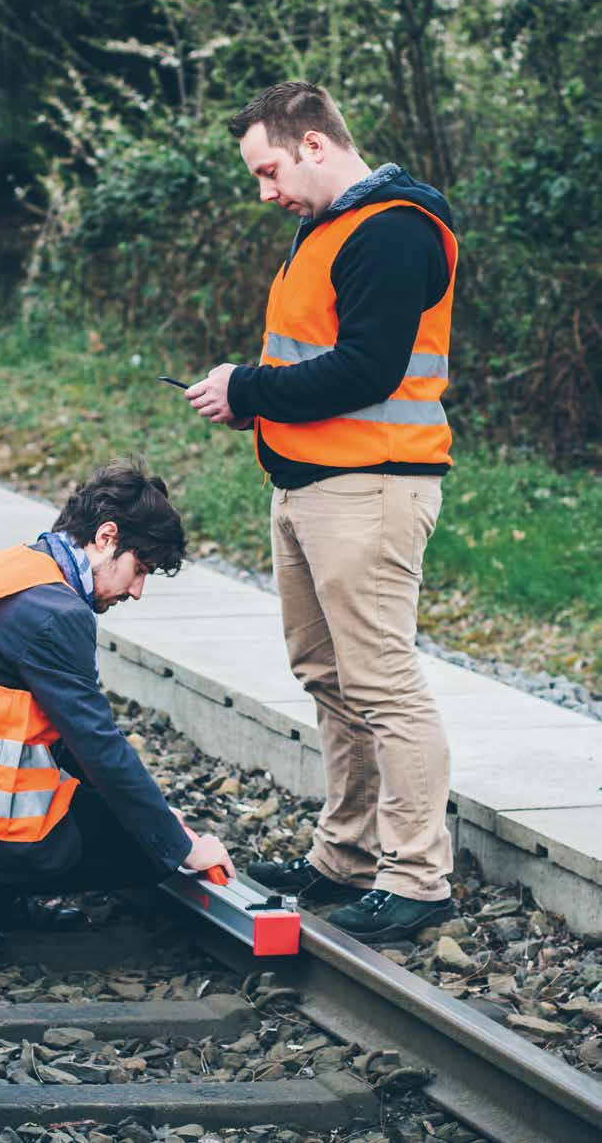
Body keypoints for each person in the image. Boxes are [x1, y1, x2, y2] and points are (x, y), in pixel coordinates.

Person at [186, 81, 457, 943]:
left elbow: (367, 370)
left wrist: (247, 388)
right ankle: (346, 856)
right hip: (309, 487)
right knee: (328, 678)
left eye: (268, 170)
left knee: (382, 683)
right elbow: (323, 360)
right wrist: (254, 403)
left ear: (313, 145)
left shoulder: (395, 230)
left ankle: (417, 876)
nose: (265, 191)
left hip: (370, 490)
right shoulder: (330, 226)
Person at [0, 458, 235, 955]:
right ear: (106, 537)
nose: (137, 591)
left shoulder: (14, 566)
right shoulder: (57, 614)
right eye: (139, 569)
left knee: (117, 813)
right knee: (143, 851)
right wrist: (180, 845)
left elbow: (69, 743)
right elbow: (97, 746)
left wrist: (161, 816)